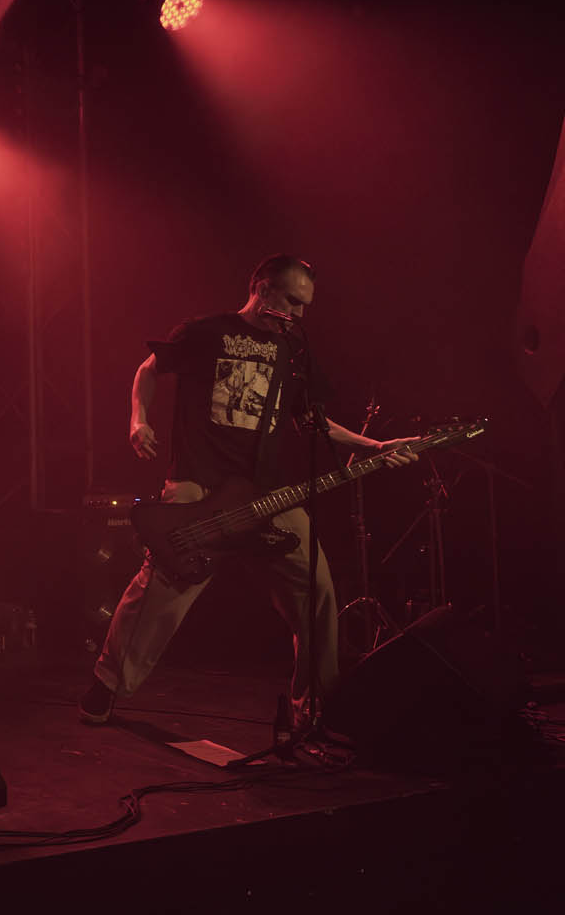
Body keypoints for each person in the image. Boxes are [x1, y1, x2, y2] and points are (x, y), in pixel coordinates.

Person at [80, 255, 418, 730]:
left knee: (317, 590)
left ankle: (315, 709)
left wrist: (374, 446)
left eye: (306, 305)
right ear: (261, 288)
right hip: (199, 481)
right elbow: (148, 370)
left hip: (265, 492)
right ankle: (107, 684)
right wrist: (138, 420)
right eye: (292, 301)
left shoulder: (293, 350)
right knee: (161, 587)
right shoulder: (206, 331)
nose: (298, 314)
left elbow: (314, 421)